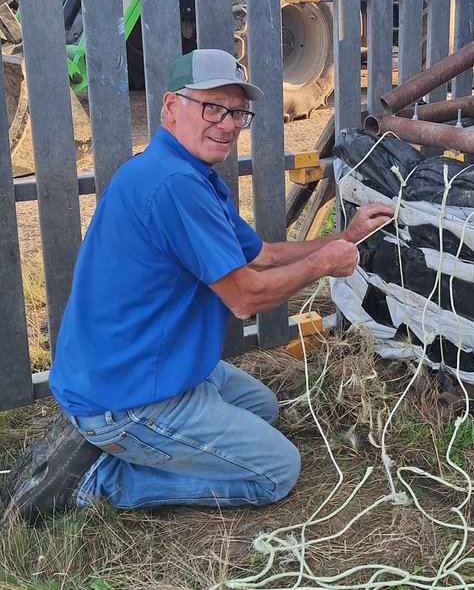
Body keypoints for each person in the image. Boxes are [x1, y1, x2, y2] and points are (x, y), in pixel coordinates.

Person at [2, 48, 393, 522]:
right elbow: (247, 296)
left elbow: (262, 255)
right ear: (170, 108)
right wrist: (324, 265)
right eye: (212, 107)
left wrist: (345, 237)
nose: (227, 124)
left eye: (236, 113)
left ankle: (138, 439)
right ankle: (98, 483)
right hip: (126, 396)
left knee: (263, 409)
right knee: (276, 471)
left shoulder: (188, 175)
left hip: (141, 365)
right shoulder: (174, 186)